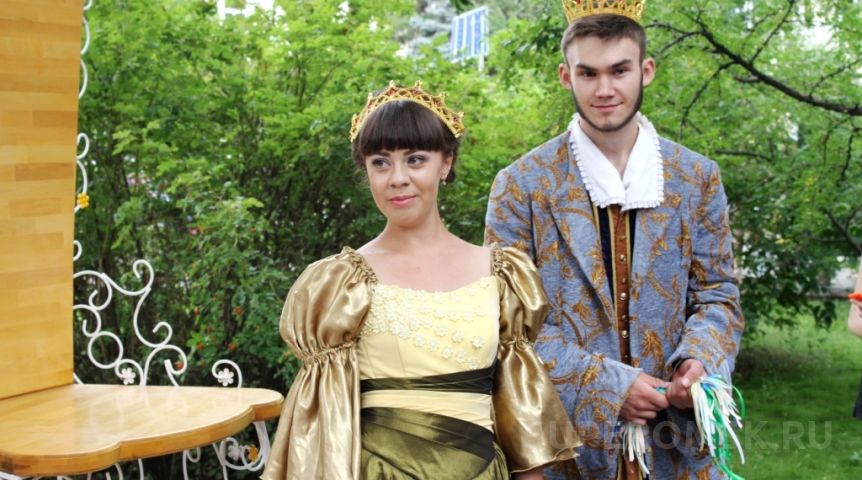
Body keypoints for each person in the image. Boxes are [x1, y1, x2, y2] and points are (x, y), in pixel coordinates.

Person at [262, 81, 579, 480]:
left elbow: (522, 418)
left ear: (445, 163)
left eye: (415, 159)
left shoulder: (500, 274)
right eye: (381, 162)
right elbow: (321, 427)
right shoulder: (341, 284)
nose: (397, 178)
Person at [484, 1, 744, 479]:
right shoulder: (520, 185)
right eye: (588, 73)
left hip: (676, 447)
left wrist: (698, 363)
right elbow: (509, 321)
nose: (604, 89)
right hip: (569, 448)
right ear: (566, 76)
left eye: (619, 70)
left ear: (646, 71)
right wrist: (606, 386)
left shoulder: (697, 177)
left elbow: (718, 295)